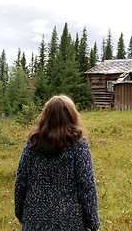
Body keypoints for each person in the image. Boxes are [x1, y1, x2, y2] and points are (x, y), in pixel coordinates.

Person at [14, 95, 100, 231]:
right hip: (71, 220)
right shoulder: (78, 145)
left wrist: (20, 213)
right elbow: (87, 186)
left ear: (45, 116)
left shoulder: (33, 143)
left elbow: (21, 182)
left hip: (34, 219)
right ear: (72, 116)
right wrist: (94, 222)